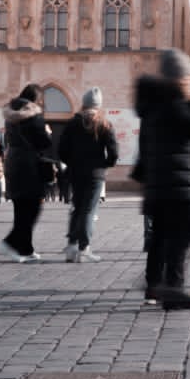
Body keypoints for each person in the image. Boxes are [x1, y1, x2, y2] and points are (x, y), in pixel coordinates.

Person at [138, 50, 190, 308]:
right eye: (188, 76)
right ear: (179, 77)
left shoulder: (154, 102)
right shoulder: (173, 101)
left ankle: (155, 287)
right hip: (177, 180)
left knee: (161, 235)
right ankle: (172, 288)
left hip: (160, 181)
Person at [58, 88, 120, 262]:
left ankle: (71, 247)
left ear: (83, 104)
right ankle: (84, 248)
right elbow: (114, 152)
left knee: (76, 208)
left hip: (76, 172)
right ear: (98, 105)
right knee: (88, 210)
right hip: (95, 174)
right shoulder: (104, 124)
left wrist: (72, 162)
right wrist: (105, 165)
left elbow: (61, 150)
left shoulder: (72, 123)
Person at [1, 85, 53, 264]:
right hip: (30, 165)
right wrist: (48, 133)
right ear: (36, 99)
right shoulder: (34, 115)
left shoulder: (10, 116)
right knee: (32, 208)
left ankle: (26, 249)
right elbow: (43, 142)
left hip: (13, 162)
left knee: (21, 208)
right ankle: (11, 242)